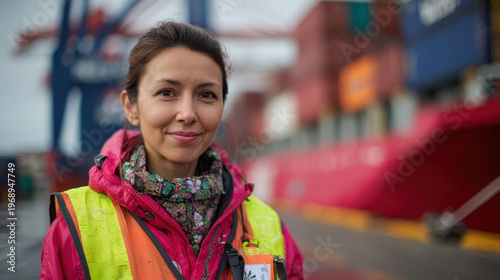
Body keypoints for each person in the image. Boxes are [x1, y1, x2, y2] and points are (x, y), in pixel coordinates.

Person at [40, 21, 304, 280]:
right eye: (167, 92)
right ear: (131, 107)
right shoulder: (74, 228)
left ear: (222, 105)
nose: (187, 113)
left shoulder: (268, 226)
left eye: (206, 95)